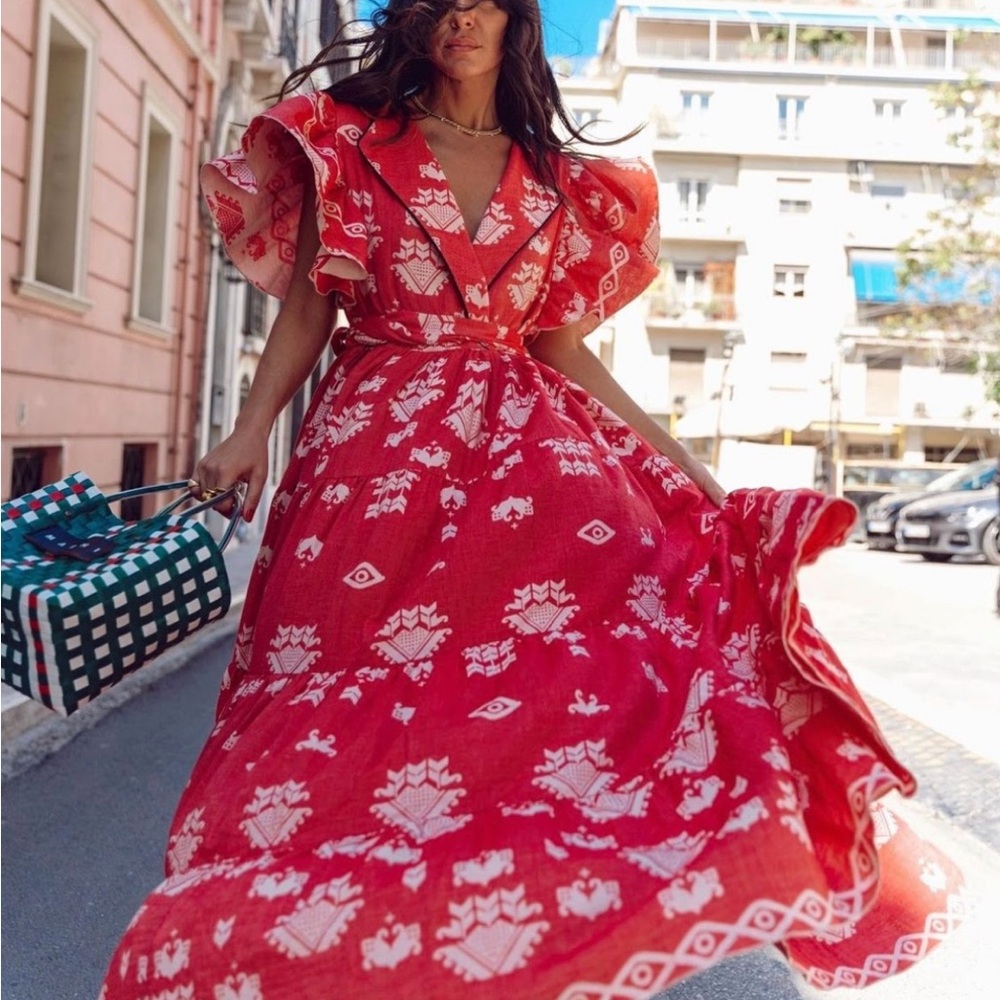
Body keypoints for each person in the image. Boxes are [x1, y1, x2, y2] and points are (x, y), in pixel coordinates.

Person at [100, 2, 964, 998]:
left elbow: (560, 349)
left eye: (482, 2)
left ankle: (490, 939)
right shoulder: (347, 141)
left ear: (516, 23)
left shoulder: (558, 184)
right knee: (327, 720)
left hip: (527, 477)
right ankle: (261, 940)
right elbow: (307, 304)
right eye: (437, 1)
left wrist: (688, 471)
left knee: (543, 706)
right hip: (370, 469)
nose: (459, 20)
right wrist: (249, 427)